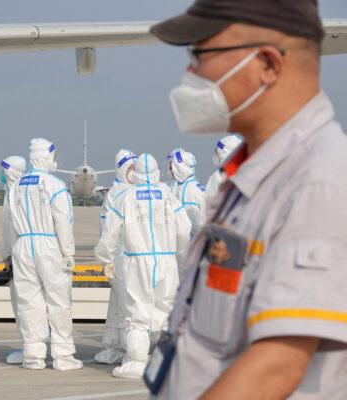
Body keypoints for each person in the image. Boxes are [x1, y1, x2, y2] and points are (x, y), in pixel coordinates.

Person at [147, 1, 347, 398]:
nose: (191, 72)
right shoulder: (258, 176)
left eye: (200, 53)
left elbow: (276, 366)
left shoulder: (317, 183)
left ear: (268, 64)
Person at [95, 153, 190, 379]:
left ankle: (136, 363)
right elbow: (184, 228)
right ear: (156, 172)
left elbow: (109, 233)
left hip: (136, 262)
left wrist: (105, 259)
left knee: (137, 313)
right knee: (167, 311)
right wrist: (177, 248)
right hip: (165, 261)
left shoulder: (125, 197)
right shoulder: (167, 195)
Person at [8, 138, 83, 371]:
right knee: (58, 300)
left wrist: (12, 250)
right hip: (49, 245)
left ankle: (33, 355)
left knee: (29, 302)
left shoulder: (16, 185)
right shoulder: (55, 184)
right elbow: (63, 220)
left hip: (22, 245)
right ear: (47, 156)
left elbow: (9, 223)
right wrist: (68, 251)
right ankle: (62, 356)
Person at [94, 149, 137, 365]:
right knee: (125, 303)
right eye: (130, 168)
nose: (133, 172)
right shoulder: (115, 193)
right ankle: (125, 347)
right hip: (121, 254)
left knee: (121, 303)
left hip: (133, 254)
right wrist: (107, 259)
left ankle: (116, 344)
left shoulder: (135, 190)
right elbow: (106, 227)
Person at [0, 156, 27, 364]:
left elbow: (10, 230)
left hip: (19, 254)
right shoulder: (13, 193)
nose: (1, 175)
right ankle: (31, 345)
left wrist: (7, 254)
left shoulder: (15, 194)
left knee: (23, 304)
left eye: (4, 171)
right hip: (22, 253)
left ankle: (30, 347)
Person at [169, 149, 206, 237]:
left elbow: (193, 222)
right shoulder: (195, 185)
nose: (171, 170)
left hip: (194, 240)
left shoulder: (189, 189)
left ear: (179, 168)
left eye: (173, 167)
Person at [205, 135, 242, 199]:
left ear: (224, 153)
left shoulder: (218, 176)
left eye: (218, 153)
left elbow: (207, 203)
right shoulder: (247, 172)